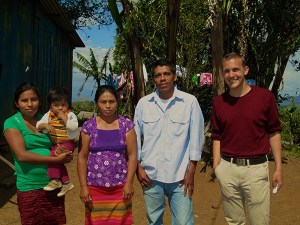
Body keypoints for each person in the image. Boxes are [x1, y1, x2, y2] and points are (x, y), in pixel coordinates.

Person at [211, 53, 283, 225]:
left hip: (256, 170)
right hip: (227, 168)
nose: (231, 75)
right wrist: (216, 165)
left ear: (245, 70)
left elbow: (274, 132)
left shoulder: (264, 97)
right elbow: (216, 135)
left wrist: (278, 167)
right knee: (234, 221)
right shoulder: (219, 102)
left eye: (235, 69)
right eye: (226, 71)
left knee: (260, 221)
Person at [134, 59, 205, 225]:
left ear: (174, 77)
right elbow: (135, 137)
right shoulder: (144, 104)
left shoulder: (189, 102)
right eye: (158, 75)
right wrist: (138, 167)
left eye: (166, 74)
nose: (162, 78)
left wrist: (191, 171)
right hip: (151, 176)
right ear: (153, 80)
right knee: (154, 220)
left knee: (183, 222)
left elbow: (197, 138)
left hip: (180, 176)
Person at [3, 82, 73, 225]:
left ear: (39, 101)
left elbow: (59, 141)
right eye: (24, 100)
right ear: (17, 103)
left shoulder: (46, 119)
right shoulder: (12, 123)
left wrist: (64, 153)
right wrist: (55, 160)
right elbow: (22, 155)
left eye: (33, 99)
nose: (30, 104)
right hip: (30, 188)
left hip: (54, 186)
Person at [77, 85, 137, 225]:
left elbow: (133, 156)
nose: (108, 106)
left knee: (120, 221)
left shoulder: (127, 126)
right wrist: (84, 186)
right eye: (103, 102)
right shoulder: (88, 126)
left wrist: (129, 184)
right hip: (94, 188)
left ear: (117, 102)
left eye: (112, 101)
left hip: (120, 188)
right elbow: (82, 157)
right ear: (97, 103)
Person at [36, 87, 79, 197]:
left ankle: (55, 180)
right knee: (58, 161)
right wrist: (45, 125)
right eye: (56, 105)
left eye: (63, 105)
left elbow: (74, 127)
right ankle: (66, 182)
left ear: (68, 105)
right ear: (50, 105)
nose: (60, 108)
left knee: (53, 157)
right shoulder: (49, 115)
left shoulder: (70, 115)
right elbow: (38, 125)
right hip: (56, 143)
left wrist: (64, 118)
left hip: (67, 143)